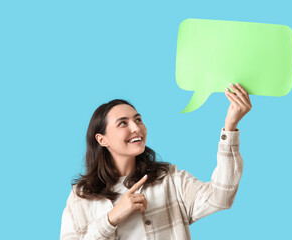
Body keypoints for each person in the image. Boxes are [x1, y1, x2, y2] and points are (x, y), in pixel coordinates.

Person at [60, 82, 252, 240]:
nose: (136, 128)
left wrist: (230, 127)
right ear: (102, 139)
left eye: (138, 120)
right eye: (123, 123)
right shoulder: (82, 196)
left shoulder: (169, 179)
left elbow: (221, 197)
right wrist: (112, 218)